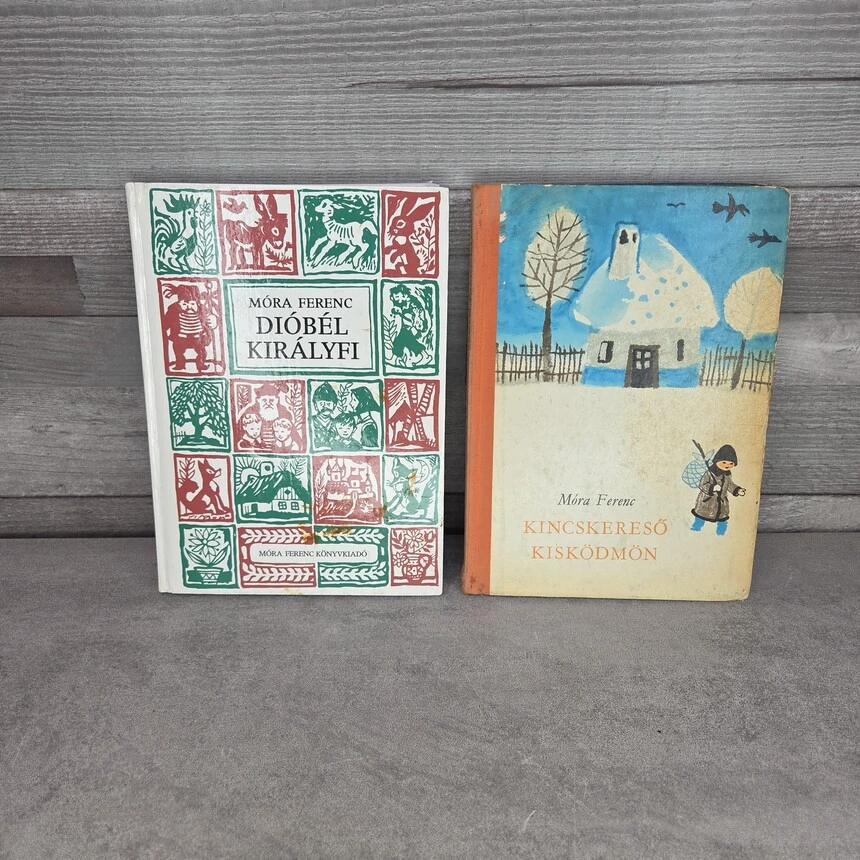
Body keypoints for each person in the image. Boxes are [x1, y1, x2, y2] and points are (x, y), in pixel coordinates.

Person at [691, 444, 746, 536]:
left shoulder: (727, 474)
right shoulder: (710, 473)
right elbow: (703, 484)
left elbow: (730, 485)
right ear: (717, 461)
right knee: (701, 517)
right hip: (707, 501)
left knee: (723, 519)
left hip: (721, 502)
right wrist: (712, 488)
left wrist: (737, 490)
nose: (727, 465)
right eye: (724, 462)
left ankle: (721, 533)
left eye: (731, 463)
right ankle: (696, 529)